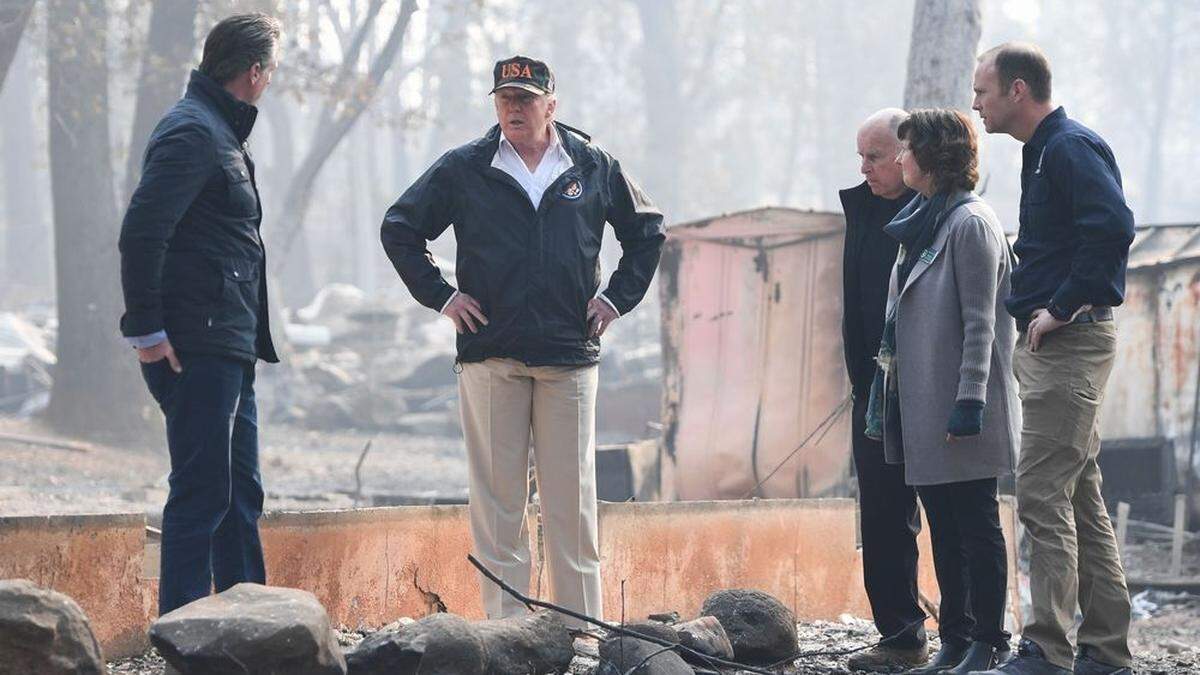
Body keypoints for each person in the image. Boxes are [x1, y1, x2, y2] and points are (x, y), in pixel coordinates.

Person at [380, 55, 664, 625]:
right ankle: (509, 638)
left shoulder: (593, 163)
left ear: (551, 105)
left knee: (572, 505)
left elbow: (647, 231)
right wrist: (443, 297)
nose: (514, 107)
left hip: (569, 355)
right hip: (490, 354)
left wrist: (614, 299)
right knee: (498, 506)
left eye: (526, 98)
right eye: (505, 97)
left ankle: (579, 636)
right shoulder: (465, 167)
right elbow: (400, 228)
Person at [970, 43, 1136, 675]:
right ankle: (1105, 649)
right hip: (1052, 346)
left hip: (1068, 344)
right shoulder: (1040, 154)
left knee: (1040, 494)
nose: (975, 104)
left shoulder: (1068, 148)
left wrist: (1061, 307)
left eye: (982, 92)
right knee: (1079, 497)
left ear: (1017, 91)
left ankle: (1047, 647)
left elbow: (1114, 226)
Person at [118, 14, 282, 615]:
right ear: (255, 72)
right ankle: (182, 633)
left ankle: (254, 626)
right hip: (194, 344)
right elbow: (142, 231)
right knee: (202, 491)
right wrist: (147, 331)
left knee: (240, 495)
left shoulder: (220, 132)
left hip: (230, 343)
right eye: (271, 71)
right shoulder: (193, 132)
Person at [869, 108, 1018, 674]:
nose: (899, 158)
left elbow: (983, 323)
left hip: (962, 410)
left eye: (906, 149)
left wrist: (969, 402)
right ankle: (956, 638)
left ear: (932, 156)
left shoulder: (971, 223)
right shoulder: (924, 221)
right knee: (945, 528)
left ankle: (988, 640)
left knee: (977, 527)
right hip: (924, 407)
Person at [840, 109, 930, 673]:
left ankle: (975, 633)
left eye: (875, 156)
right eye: (860, 156)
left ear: (906, 154)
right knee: (881, 514)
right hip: (869, 390)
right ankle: (899, 634)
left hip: (925, 391)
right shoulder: (862, 210)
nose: (865, 167)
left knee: (947, 515)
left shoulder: (941, 214)